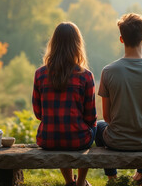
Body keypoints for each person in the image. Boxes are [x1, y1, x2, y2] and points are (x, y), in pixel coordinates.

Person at [95, 13, 142, 186]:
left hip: (115, 141)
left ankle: (112, 177)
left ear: (121, 39)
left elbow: (107, 117)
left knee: (99, 125)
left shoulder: (108, 72)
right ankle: (141, 175)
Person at [32, 22, 97, 186]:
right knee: (96, 126)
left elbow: (39, 114)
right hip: (78, 141)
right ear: (78, 45)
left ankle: (69, 181)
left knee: (59, 128)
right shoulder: (86, 76)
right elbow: (90, 117)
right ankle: (81, 182)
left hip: (47, 139)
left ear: (53, 44)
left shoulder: (40, 74)